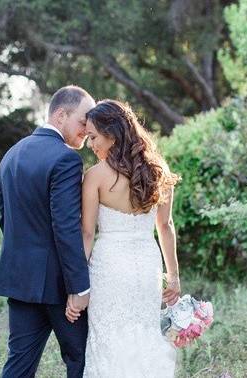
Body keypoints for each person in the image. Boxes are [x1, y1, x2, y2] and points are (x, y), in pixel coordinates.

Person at [71, 99, 181, 377]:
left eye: (94, 137)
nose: (91, 145)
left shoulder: (94, 177)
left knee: (108, 341)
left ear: (113, 133)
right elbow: (165, 226)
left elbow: (87, 234)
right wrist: (174, 276)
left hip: (109, 270)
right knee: (144, 337)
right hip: (147, 268)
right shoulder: (158, 171)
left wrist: (77, 287)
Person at [0, 85, 96, 378]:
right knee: (81, 361)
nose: (87, 130)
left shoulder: (11, 154)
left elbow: (6, 220)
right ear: (61, 115)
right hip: (60, 288)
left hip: (20, 280)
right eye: (83, 121)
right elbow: (65, 227)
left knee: (18, 366)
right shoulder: (65, 159)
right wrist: (79, 288)